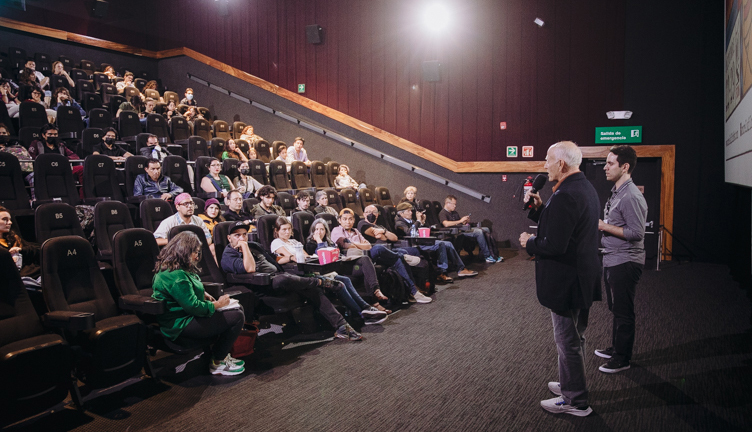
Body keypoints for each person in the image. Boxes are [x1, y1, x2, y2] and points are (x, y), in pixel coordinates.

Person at [518, 141, 601, 417]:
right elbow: (565, 228)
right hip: (582, 277)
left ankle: (575, 400)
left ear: (561, 164)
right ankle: (570, 383)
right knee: (575, 338)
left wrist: (529, 243)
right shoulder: (582, 187)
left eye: (547, 160)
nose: (545, 165)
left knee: (568, 341)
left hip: (568, 281)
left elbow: (555, 245)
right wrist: (541, 209)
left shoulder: (566, 193)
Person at [221, 221, 362, 341]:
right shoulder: (228, 255)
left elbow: (273, 261)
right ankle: (320, 281)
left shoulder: (254, 246)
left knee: (310, 288)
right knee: (283, 279)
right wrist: (244, 247)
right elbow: (250, 269)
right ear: (229, 238)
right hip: (261, 286)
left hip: (279, 278)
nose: (242, 238)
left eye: (244, 234)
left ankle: (341, 326)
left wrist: (286, 263)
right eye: (237, 235)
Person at [151, 231, 245, 375]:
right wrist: (218, 304)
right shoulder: (175, 275)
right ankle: (217, 363)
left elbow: (191, 287)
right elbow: (194, 307)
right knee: (237, 316)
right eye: (194, 252)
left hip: (187, 317)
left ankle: (221, 355)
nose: (197, 256)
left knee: (238, 309)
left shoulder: (180, 267)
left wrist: (204, 293)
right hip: (180, 324)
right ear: (183, 250)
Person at [272, 217, 387, 324]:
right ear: (277, 230)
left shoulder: (294, 242)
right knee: (340, 283)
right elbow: (293, 257)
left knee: (345, 279)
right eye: (284, 230)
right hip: (299, 274)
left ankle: (366, 307)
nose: (287, 232)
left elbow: (307, 257)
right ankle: (361, 314)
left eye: (289, 229)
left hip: (313, 269)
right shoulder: (276, 242)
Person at [595, 145, 648, 374]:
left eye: (610, 163)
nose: (605, 167)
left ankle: (622, 358)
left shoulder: (631, 195)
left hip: (625, 262)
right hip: (613, 259)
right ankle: (617, 347)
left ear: (624, 167)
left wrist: (603, 225)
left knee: (624, 311)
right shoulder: (618, 191)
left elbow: (637, 233)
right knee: (617, 309)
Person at [333, 208, 430, 304]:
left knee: (397, 261)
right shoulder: (337, 230)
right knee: (379, 248)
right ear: (339, 220)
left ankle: (414, 292)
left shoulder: (355, 231)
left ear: (353, 220)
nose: (348, 222)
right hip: (354, 261)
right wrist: (358, 245)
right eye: (345, 219)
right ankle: (400, 256)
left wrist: (356, 244)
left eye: (350, 219)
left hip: (367, 256)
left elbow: (368, 245)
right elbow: (348, 245)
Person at [306, 217, 391, 313]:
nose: (319, 232)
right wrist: (319, 242)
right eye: (317, 229)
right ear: (313, 231)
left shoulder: (330, 242)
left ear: (326, 231)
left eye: (322, 229)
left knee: (365, 260)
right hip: (332, 271)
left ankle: (376, 291)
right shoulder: (310, 244)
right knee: (364, 268)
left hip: (342, 265)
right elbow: (322, 258)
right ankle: (374, 304)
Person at [394, 202, 478, 281]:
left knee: (448, 243)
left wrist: (422, 222)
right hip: (412, 245)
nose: (411, 212)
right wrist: (418, 221)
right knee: (441, 244)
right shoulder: (399, 222)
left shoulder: (411, 221)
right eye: (408, 211)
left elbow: (420, 231)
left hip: (422, 241)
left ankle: (461, 269)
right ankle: (441, 273)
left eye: (410, 210)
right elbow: (409, 233)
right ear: (401, 213)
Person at [439, 195, 502, 263]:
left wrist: (465, 221)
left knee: (486, 229)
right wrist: (460, 221)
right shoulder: (442, 213)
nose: (455, 206)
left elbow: (459, 223)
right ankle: (487, 256)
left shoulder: (455, 213)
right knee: (479, 232)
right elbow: (446, 224)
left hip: (462, 228)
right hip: (457, 232)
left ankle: (491, 254)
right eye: (454, 204)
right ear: (447, 203)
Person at [0, 206, 40, 278]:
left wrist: (21, 250)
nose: (10, 222)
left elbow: (39, 249)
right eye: (5, 219)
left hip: (30, 274)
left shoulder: (13, 238)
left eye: (10, 219)